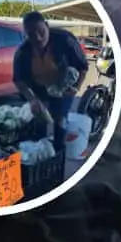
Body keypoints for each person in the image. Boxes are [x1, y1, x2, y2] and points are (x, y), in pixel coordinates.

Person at [13, 10, 90, 151]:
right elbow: (19, 80)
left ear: (47, 25)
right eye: (30, 34)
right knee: (39, 121)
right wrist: (32, 99)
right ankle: (40, 153)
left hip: (62, 87)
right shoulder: (22, 52)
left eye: (41, 31)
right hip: (38, 89)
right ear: (26, 34)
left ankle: (57, 153)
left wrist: (76, 87)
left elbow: (82, 66)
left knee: (60, 120)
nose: (37, 38)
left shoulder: (65, 39)